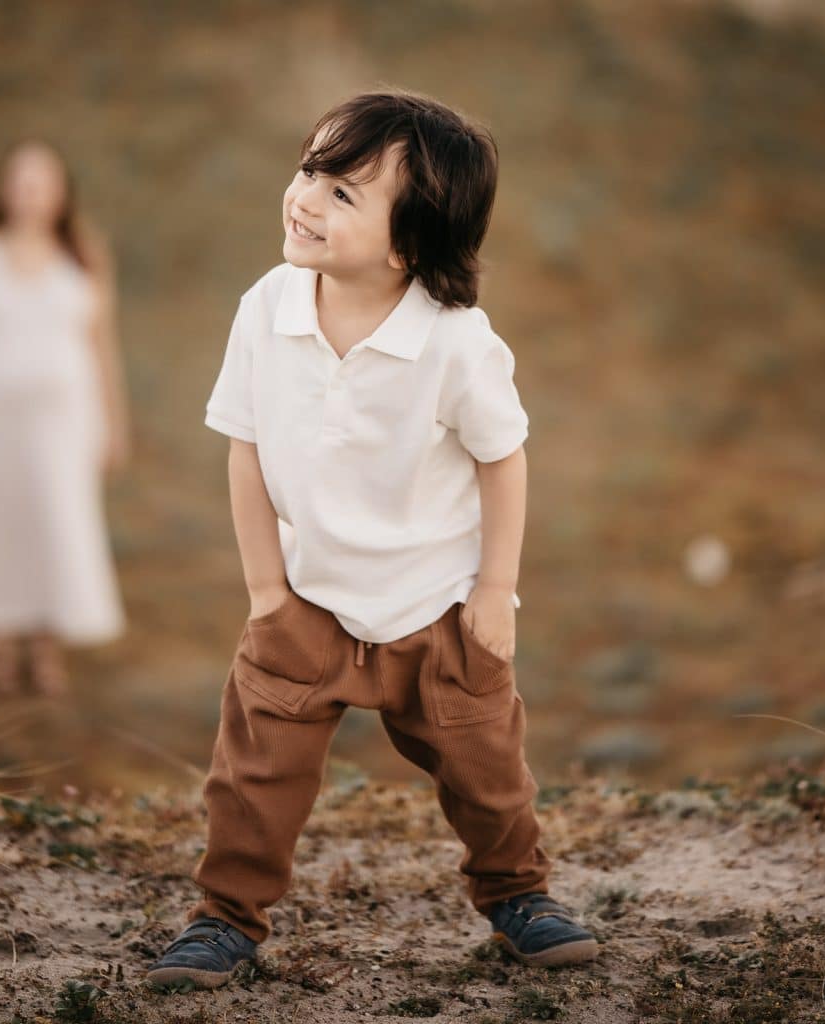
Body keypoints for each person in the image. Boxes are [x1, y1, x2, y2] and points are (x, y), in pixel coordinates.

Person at [146, 90, 599, 991]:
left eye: (345, 192)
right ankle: (224, 919)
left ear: (409, 245)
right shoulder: (268, 306)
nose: (306, 196)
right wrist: (268, 592)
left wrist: (492, 595)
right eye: (311, 168)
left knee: (486, 767)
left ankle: (518, 892)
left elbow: (502, 460)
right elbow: (244, 448)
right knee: (254, 777)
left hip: (436, 604)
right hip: (308, 597)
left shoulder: (455, 343)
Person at [0, 139, 128, 695]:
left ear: (61, 193)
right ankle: (1, 643)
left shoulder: (81, 252)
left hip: (65, 415)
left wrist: (114, 422)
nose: (32, 193)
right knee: (0, 517)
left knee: (58, 516)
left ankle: (47, 644)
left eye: (44, 182)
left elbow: (103, 346)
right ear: (4, 188)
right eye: (22, 180)